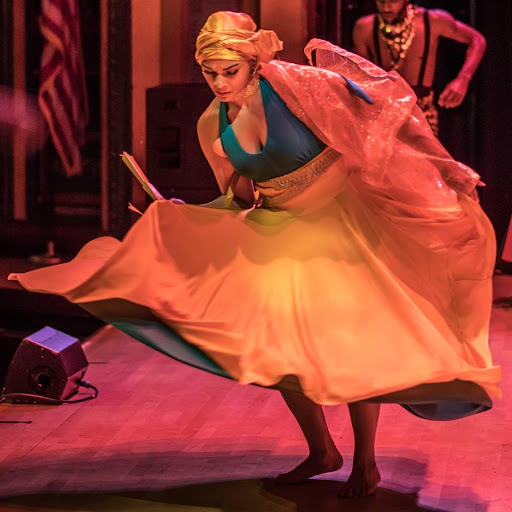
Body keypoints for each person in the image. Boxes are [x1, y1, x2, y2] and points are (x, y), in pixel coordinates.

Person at [9, 11, 500, 499]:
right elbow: (239, 195)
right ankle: (322, 451)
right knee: (277, 350)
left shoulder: (300, 88)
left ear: (254, 61)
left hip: (337, 224)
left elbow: (383, 124)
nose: (219, 83)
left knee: (353, 347)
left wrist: (441, 171)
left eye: (230, 71)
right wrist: (185, 213)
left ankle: (365, 463)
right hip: (279, 229)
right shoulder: (211, 122)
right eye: (210, 72)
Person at [352, 0, 486, 136]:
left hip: (422, 114)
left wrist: (463, 79)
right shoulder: (364, 28)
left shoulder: (432, 20)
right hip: (383, 113)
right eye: (381, 1)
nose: (386, 7)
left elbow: (477, 40)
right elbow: (362, 79)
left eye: (393, 1)